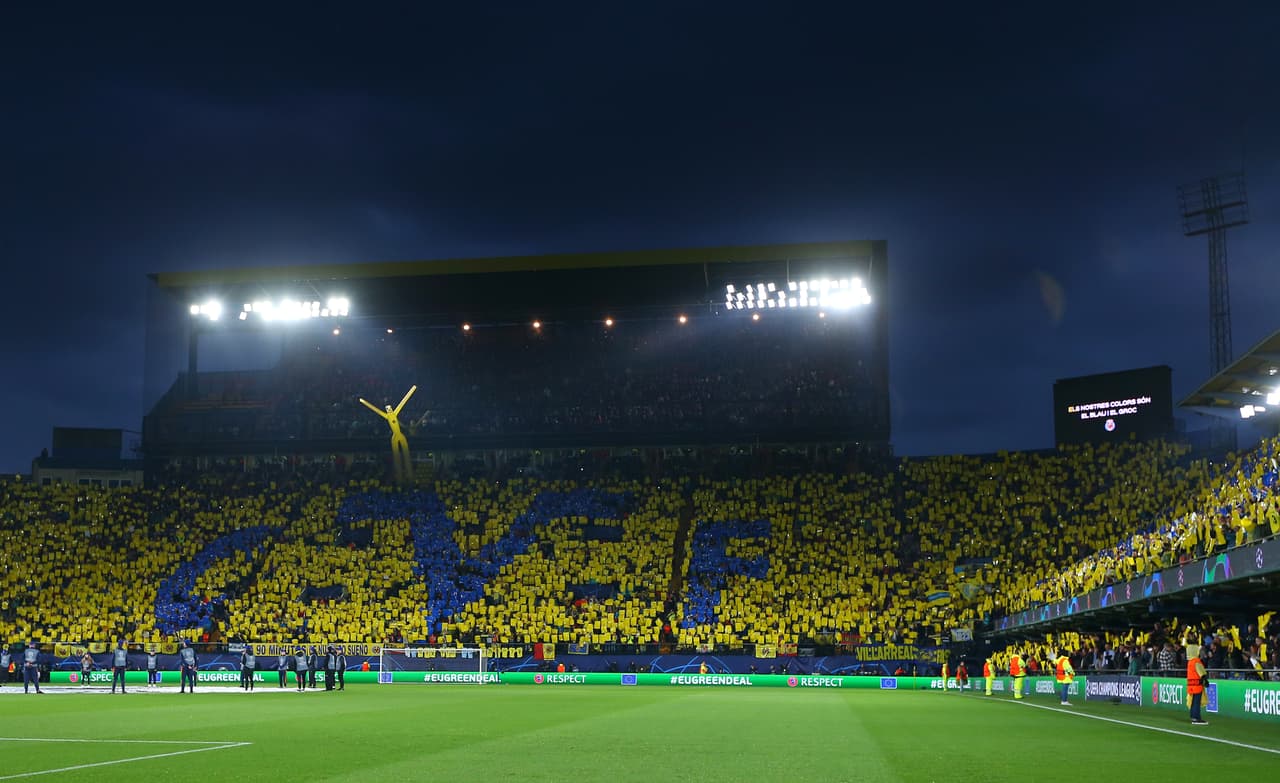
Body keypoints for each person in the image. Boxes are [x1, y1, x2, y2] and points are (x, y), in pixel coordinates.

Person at [1187, 643, 1209, 725]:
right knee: (1196, 701)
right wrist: (1205, 680)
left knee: (1193, 701)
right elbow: (1201, 672)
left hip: (1191, 684)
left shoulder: (1190, 662)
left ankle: (1193, 716)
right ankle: (1196, 718)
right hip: (1197, 684)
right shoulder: (1196, 661)